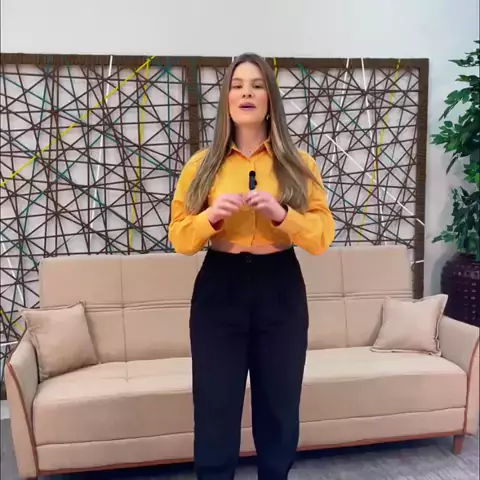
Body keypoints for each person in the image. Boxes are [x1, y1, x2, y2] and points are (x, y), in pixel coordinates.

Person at [168, 52, 335, 480]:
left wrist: (282, 215)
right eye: (238, 85)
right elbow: (180, 238)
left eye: (257, 85)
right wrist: (210, 217)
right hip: (219, 288)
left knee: (279, 405)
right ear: (226, 99)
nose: (247, 93)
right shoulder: (201, 166)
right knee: (215, 406)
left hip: (279, 287)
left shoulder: (299, 165)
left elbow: (321, 237)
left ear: (269, 98)